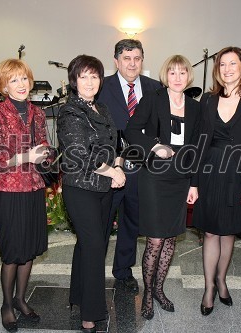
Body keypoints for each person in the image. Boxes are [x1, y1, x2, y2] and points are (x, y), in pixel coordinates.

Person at [124, 54, 201, 319]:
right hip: (154, 177)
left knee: (170, 239)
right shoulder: (153, 99)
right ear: (164, 76)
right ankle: (147, 294)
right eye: (172, 73)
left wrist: (194, 183)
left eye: (182, 73)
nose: (177, 78)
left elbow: (198, 148)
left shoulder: (195, 107)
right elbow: (131, 130)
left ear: (188, 76)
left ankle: (159, 289)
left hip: (180, 178)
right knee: (156, 239)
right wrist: (154, 146)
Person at [192, 47, 241, 316]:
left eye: (233, 63)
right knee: (210, 232)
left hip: (238, 175)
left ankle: (222, 279)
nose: (227, 68)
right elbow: (200, 143)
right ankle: (209, 287)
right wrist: (193, 182)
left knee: (228, 232)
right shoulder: (208, 100)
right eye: (223, 64)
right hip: (210, 172)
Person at [57, 54, 126, 333]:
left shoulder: (103, 108)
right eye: (83, 76)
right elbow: (78, 154)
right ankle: (91, 313)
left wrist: (118, 163)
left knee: (88, 245)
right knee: (95, 246)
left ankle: (77, 296)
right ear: (74, 80)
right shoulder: (70, 111)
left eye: (94, 76)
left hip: (104, 189)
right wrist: (113, 172)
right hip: (81, 189)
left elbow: (115, 142)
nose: (89, 81)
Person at [0, 59, 50, 332]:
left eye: (24, 79)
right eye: (13, 80)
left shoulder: (37, 112)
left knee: (29, 251)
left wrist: (48, 156)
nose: (20, 84)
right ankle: (6, 304)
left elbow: (44, 145)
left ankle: (21, 299)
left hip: (34, 187)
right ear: (3, 85)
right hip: (9, 190)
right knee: (12, 252)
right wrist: (27, 156)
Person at [97, 39, 162, 293]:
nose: (132, 63)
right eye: (126, 58)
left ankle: (123, 271)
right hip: (109, 168)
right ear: (116, 61)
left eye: (136, 58)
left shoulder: (155, 88)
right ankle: (92, 271)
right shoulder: (101, 87)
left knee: (131, 223)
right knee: (101, 222)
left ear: (142, 60)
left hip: (141, 168)